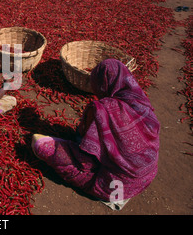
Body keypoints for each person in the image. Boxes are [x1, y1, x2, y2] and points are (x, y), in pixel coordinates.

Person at [31, 59, 160, 210]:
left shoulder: (103, 109)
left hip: (113, 188)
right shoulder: (140, 101)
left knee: (39, 144)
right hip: (145, 178)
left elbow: (84, 149)